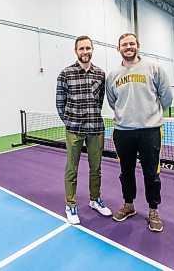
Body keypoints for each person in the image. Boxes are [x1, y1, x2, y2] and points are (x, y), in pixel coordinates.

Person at [106, 33, 173, 232]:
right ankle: (129, 205)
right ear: (118, 48)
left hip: (150, 131)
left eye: (132, 44)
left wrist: (149, 115)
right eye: (124, 44)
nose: (128, 47)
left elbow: (167, 97)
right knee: (125, 172)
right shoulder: (113, 75)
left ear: (138, 46)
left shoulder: (155, 69)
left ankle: (153, 210)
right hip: (123, 132)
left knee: (151, 173)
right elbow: (112, 101)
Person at [56, 35, 111, 225]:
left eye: (88, 48)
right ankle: (70, 205)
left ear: (92, 50)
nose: (85, 52)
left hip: (96, 128)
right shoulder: (65, 74)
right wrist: (70, 121)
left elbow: (100, 100)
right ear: (76, 51)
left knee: (96, 168)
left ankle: (95, 199)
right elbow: (59, 103)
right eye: (81, 49)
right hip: (74, 130)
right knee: (72, 169)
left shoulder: (100, 74)